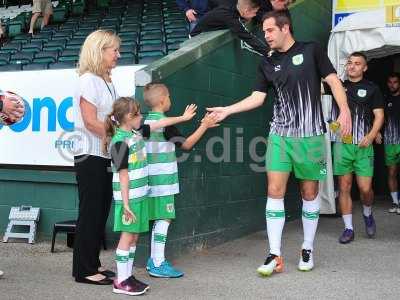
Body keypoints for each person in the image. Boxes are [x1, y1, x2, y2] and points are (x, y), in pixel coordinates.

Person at [207, 10, 351, 275]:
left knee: (310, 193)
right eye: (264, 31)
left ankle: (307, 247)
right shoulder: (267, 61)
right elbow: (257, 97)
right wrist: (227, 110)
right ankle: (275, 254)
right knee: (274, 190)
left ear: (285, 28)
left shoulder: (312, 50)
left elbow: (332, 80)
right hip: (280, 135)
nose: (266, 35)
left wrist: (344, 110)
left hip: (311, 137)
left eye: (270, 30)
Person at [104, 98, 197, 296]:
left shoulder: (136, 132)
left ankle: (127, 276)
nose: (142, 118)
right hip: (129, 199)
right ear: (129, 117)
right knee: (127, 236)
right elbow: (122, 175)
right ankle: (120, 281)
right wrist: (126, 204)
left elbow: (158, 124)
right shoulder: (119, 142)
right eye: (138, 114)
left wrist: (182, 117)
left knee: (134, 237)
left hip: (140, 195)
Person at [143, 83, 219, 278]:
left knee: (158, 219)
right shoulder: (165, 124)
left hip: (147, 182)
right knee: (164, 218)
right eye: (168, 97)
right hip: (163, 182)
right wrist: (204, 125)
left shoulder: (144, 122)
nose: (170, 100)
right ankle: (158, 263)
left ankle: (154, 261)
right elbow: (187, 145)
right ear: (162, 100)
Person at [72, 30, 121, 285]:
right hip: (89, 155)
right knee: (91, 212)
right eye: (114, 50)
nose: (118, 55)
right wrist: (121, 133)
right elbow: (91, 122)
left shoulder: (107, 82)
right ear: (99, 50)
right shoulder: (88, 80)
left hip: (104, 155)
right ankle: (84, 270)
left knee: (100, 211)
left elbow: (110, 119)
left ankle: (93, 263)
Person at [330, 52, 384, 244]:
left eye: (357, 64)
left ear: (365, 68)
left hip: (363, 146)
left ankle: (368, 214)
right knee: (344, 187)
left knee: (365, 189)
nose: (352, 66)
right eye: (350, 63)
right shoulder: (337, 86)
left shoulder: (372, 89)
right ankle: (348, 228)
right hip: (342, 145)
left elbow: (379, 116)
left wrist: (370, 136)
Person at [190, 0, 269, 56]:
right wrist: (268, 52)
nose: (255, 15)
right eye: (254, 12)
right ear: (246, 10)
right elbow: (247, 37)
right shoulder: (229, 17)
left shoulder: (235, 6)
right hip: (196, 38)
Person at [376, 73, 400, 213]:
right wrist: (377, 131)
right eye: (390, 82)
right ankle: (395, 202)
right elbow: (379, 116)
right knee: (391, 172)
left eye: (395, 82)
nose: (392, 85)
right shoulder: (385, 99)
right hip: (390, 141)